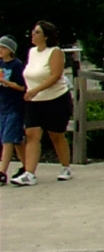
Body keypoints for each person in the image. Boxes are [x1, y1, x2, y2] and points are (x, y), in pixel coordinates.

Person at [11, 21, 74, 186]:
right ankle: (29, 173)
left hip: (55, 99)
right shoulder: (32, 52)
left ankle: (65, 167)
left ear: (46, 36)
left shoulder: (55, 52)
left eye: (37, 32)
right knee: (32, 134)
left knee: (56, 135)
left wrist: (36, 89)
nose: (33, 35)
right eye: (33, 32)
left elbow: (55, 76)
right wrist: (31, 91)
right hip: (34, 101)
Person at [0, 36, 27, 186]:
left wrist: (5, 82)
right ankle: (27, 166)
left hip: (14, 107)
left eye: (2, 48)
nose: (0, 51)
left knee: (7, 139)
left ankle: (2, 171)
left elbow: (22, 87)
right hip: (2, 106)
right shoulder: (0, 64)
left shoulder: (17, 65)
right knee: (16, 139)